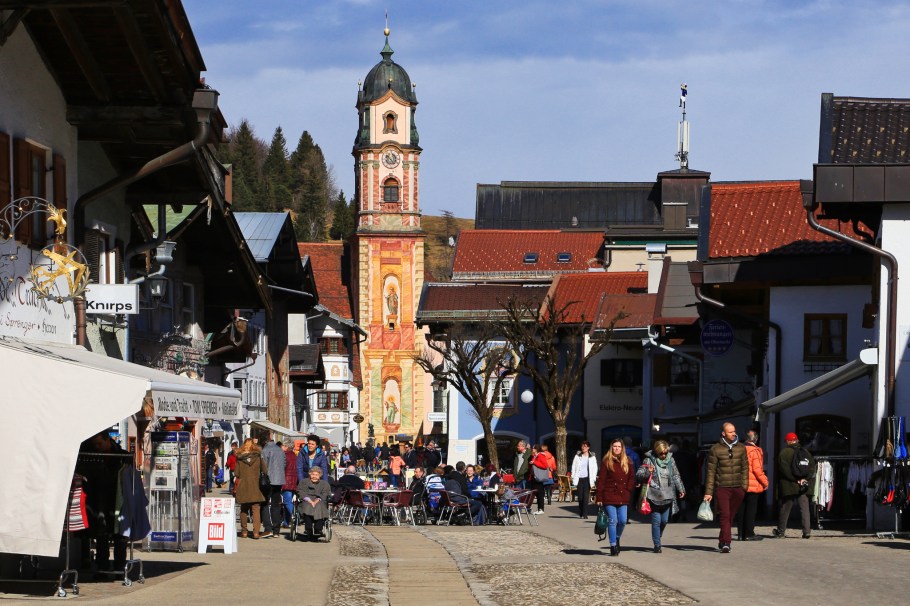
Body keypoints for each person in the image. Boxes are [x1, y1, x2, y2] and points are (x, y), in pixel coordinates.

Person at [703, 422, 749, 553]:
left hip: (738, 488)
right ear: (723, 433)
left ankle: (722, 538)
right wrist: (708, 492)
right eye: (730, 432)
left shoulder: (741, 448)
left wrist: (744, 486)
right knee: (725, 514)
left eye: (734, 431)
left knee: (731, 516)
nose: (734, 434)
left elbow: (745, 468)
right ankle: (727, 543)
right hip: (722, 487)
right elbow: (711, 472)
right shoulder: (715, 449)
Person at [637, 440, 686, 553]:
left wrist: (681, 488)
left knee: (664, 521)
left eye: (665, 453)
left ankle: (657, 536)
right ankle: (657, 544)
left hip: (668, 495)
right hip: (653, 495)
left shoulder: (671, 460)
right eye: (661, 454)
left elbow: (676, 475)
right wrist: (648, 472)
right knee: (656, 521)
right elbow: (639, 474)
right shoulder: (648, 460)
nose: (663, 456)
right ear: (656, 451)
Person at [595, 438, 636, 556]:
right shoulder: (607, 461)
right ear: (611, 448)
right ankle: (613, 545)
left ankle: (617, 537)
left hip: (623, 495)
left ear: (622, 448)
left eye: (619, 446)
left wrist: (628, 488)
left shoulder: (627, 461)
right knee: (613, 520)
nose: (616, 448)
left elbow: (632, 477)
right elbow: (601, 480)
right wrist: (599, 497)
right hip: (609, 495)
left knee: (622, 520)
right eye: (614, 446)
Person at [772, 432, 814, 539]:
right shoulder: (806, 452)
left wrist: (795, 480)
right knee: (804, 508)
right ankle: (806, 531)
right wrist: (804, 479)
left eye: (786, 441)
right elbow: (812, 468)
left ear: (789, 441)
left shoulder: (784, 452)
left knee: (785, 508)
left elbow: (784, 470)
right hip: (803, 485)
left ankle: (781, 531)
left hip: (789, 485)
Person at [737, 430, 769, 541]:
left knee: (741, 508)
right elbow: (757, 469)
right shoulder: (754, 451)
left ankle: (741, 534)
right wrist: (765, 482)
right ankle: (749, 533)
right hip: (752, 484)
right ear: (755, 439)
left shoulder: (739, 449)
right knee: (751, 509)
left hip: (740, 483)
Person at [235, 438, 267, 539]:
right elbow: (265, 470)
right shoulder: (258, 456)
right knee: (256, 509)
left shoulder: (239, 458)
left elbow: (237, 473)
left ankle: (244, 531)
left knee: (244, 508)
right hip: (255, 485)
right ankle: (256, 532)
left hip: (243, 485)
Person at [297, 467, 332, 540]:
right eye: (313, 474)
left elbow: (325, 494)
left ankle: (318, 529)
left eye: (316, 475)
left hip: (320, 500)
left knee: (319, 506)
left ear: (320, 476)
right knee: (307, 506)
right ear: (310, 475)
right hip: (306, 499)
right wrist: (309, 500)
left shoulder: (324, 484)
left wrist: (316, 500)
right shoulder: (304, 482)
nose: (314, 476)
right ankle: (308, 529)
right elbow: (300, 491)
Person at [261, 437, 285, 537]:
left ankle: (268, 528)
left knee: (265, 504)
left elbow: (263, 466)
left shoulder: (265, 450)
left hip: (268, 481)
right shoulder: (280, 450)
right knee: (276, 505)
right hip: (279, 481)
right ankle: (276, 530)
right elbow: (284, 464)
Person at [571, 441, 598, 519]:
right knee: (580, 497)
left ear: (588, 448)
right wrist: (573, 476)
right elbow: (573, 466)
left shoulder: (592, 457)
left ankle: (585, 514)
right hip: (579, 479)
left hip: (587, 479)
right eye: (582, 446)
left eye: (585, 446)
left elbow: (595, 468)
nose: (583, 448)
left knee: (586, 497)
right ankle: (581, 511)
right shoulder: (577, 456)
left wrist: (593, 478)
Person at [280, 442, 298, 527]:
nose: (281, 447)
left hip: (286, 480)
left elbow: (282, 468)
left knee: (287, 502)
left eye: (283, 445)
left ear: (286, 447)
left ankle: (295, 517)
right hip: (294, 480)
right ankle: (286, 522)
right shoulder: (295, 456)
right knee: (288, 501)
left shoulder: (285, 455)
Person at [529, 445, 549, 514]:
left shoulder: (541, 456)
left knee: (540, 493)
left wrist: (534, 462)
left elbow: (545, 465)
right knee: (536, 493)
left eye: (533, 448)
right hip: (534, 476)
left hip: (539, 477)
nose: (532, 449)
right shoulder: (535, 456)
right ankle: (538, 509)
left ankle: (541, 509)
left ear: (537, 449)